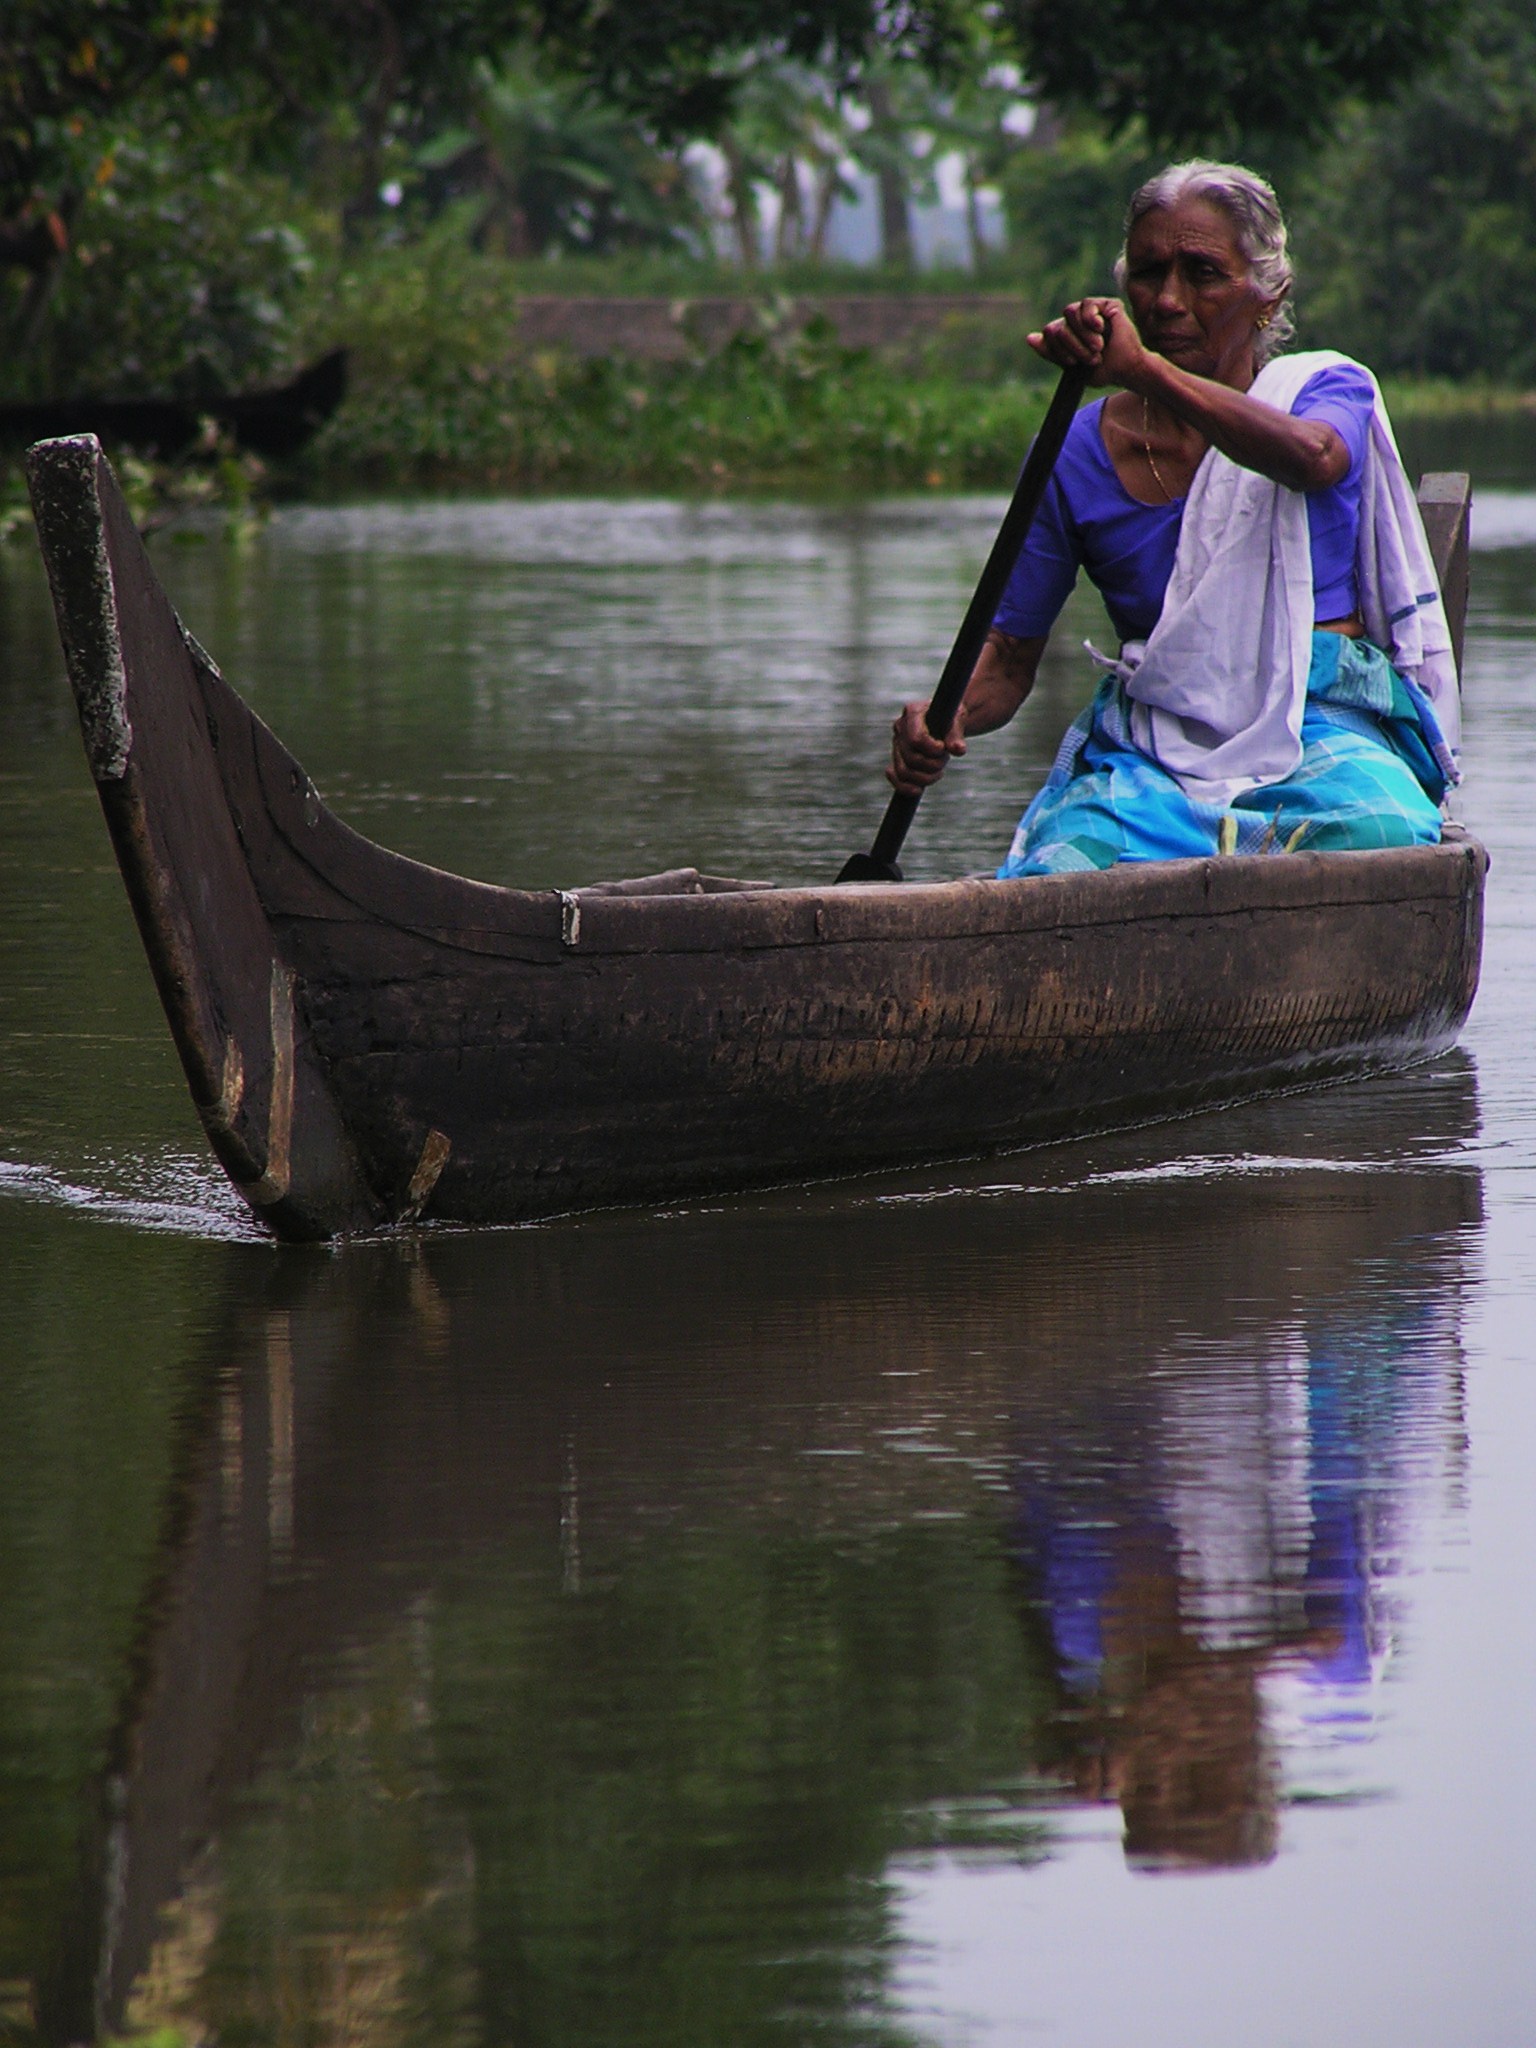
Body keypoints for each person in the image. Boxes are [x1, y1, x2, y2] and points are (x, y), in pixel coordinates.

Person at [889, 161, 1461, 878]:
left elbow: (1315, 458)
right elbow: (1006, 657)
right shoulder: (1073, 451)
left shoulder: (1319, 390)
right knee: (1059, 868)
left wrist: (1146, 372)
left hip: (1316, 720)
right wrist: (948, 714)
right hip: (1156, 740)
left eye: (1202, 274)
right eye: (1149, 272)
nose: (1167, 300)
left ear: (1267, 293)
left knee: (1386, 833)